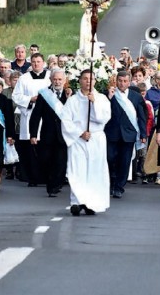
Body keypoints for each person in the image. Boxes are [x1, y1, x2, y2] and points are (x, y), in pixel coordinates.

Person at [61, 69, 111, 216]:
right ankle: (76, 201)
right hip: (78, 139)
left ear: (95, 81)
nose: (88, 81)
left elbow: (104, 118)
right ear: (80, 81)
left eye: (91, 79)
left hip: (96, 139)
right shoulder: (73, 101)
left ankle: (91, 202)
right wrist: (79, 133)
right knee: (78, 170)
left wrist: (94, 103)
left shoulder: (101, 99)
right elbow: (66, 121)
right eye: (85, 79)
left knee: (94, 171)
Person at [29, 69, 72, 197]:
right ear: (51, 80)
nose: (57, 82)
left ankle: (54, 186)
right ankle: (52, 182)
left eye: (60, 79)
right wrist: (33, 134)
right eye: (55, 79)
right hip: (47, 134)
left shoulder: (69, 94)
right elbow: (36, 116)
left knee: (60, 162)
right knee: (46, 160)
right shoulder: (44, 94)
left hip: (63, 135)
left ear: (64, 81)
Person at [105, 70, 147, 199]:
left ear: (129, 82)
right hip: (111, 133)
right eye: (120, 81)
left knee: (124, 161)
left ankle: (119, 187)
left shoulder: (136, 96)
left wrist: (143, 134)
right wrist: (109, 98)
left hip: (128, 134)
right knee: (110, 158)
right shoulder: (109, 95)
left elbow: (142, 116)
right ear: (116, 81)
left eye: (125, 81)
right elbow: (102, 111)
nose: (122, 84)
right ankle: (111, 183)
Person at [12, 53, 51, 186]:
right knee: (30, 150)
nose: (36, 64)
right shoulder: (24, 78)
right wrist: (30, 99)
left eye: (38, 61)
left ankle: (46, 177)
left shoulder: (50, 77)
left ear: (43, 62)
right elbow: (16, 96)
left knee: (45, 149)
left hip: (46, 117)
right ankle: (32, 178)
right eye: (33, 62)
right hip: (29, 113)